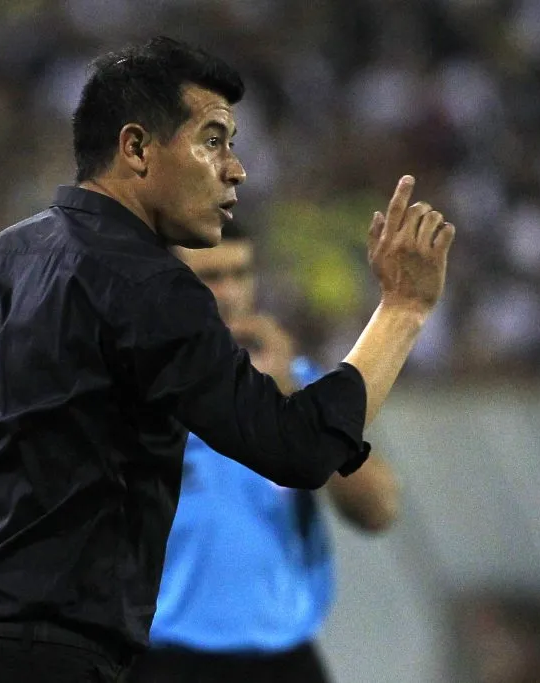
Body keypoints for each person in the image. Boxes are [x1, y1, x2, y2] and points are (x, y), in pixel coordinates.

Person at [0, 35, 455, 683]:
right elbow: (298, 449)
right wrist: (402, 308)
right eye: (213, 140)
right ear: (136, 148)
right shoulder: (150, 284)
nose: (236, 169)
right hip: (51, 658)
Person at [126, 223, 400, 683]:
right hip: (165, 661)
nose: (230, 292)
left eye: (241, 273)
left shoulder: (300, 385)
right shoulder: (129, 392)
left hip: (283, 661)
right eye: (210, 277)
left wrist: (293, 398)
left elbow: (378, 512)